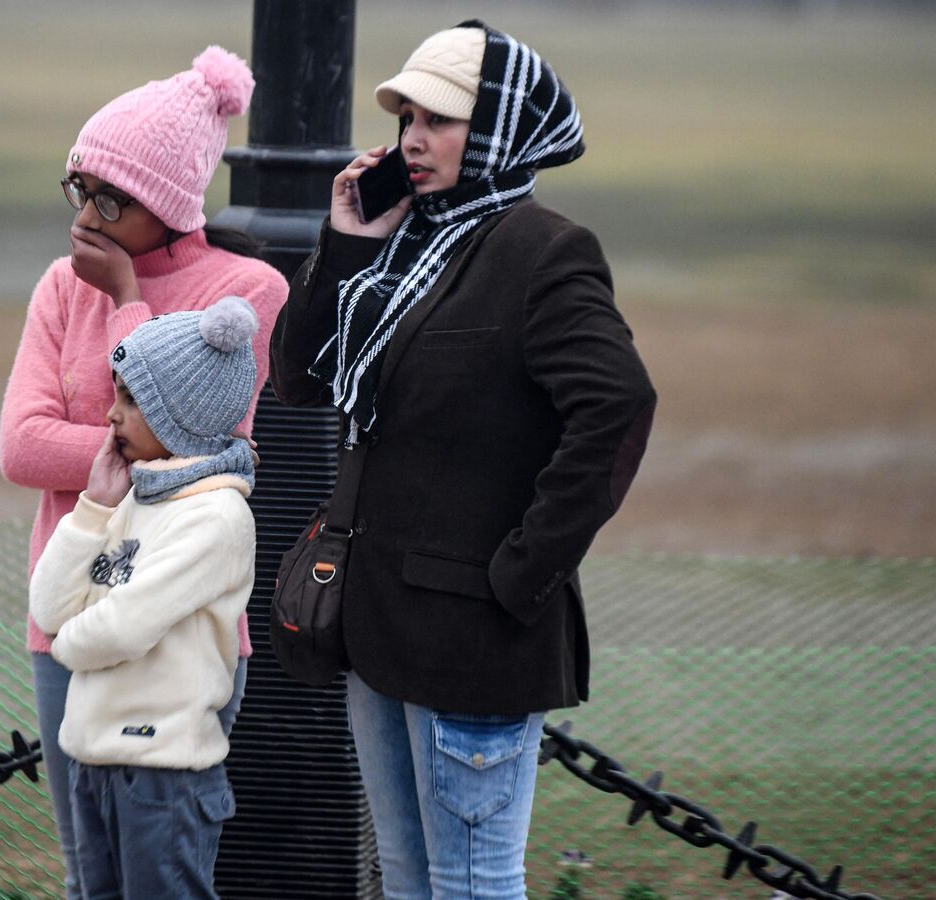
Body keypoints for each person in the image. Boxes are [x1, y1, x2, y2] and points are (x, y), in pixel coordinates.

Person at [269, 21, 657, 899]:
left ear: (498, 130)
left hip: (475, 640)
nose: (413, 136)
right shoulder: (402, 241)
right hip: (374, 628)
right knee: (408, 881)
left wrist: (521, 574)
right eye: (407, 114)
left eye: (440, 119)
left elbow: (617, 406)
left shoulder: (543, 252)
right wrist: (343, 245)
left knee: (474, 885)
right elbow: (296, 377)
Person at [0, 47, 287, 897]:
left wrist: (125, 294)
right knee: (92, 878)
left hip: (181, 640)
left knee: (163, 875)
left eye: (109, 199)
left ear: (165, 203)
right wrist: (120, 441)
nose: (85, 215)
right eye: (77, 189)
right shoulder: (59, 287)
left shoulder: (244, 291)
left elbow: (189, 453)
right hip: (67, 617)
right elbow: (19, 448)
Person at [28, 295, 262, 899]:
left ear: (178, 412)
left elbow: (124, 627)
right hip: (92, 757)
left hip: (164, 775)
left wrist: (63, 642)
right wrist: (93, 508)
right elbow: (49, 607)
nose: (110, 415)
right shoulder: (134, 494)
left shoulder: (216, 516)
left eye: (130, 400)